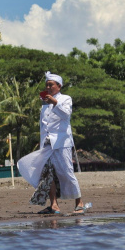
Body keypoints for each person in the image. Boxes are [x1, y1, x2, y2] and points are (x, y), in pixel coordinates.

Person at [17, 71, 84, 214]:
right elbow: (44, 125)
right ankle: (54, 205)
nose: (48, 88)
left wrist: (54, 102)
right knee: (46, 173)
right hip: (47, 143)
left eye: (51, 85)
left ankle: (79, 203)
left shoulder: (65, 99)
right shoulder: (45, 104)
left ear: (59, 86)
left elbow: (66, 114)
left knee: (66, 172)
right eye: (46, 85)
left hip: (61, 142)